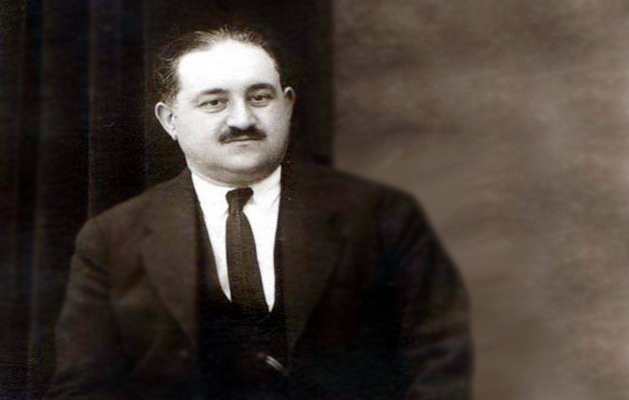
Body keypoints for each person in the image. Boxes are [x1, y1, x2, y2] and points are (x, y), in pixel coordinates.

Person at [45, 25, 473, 400]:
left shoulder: (381, 215)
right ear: (169, 120)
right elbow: (84, 388)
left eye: (260, 97)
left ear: (287, 105)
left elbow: (441, 361)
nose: (242, 119)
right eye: (214, 102)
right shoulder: (112, 238)